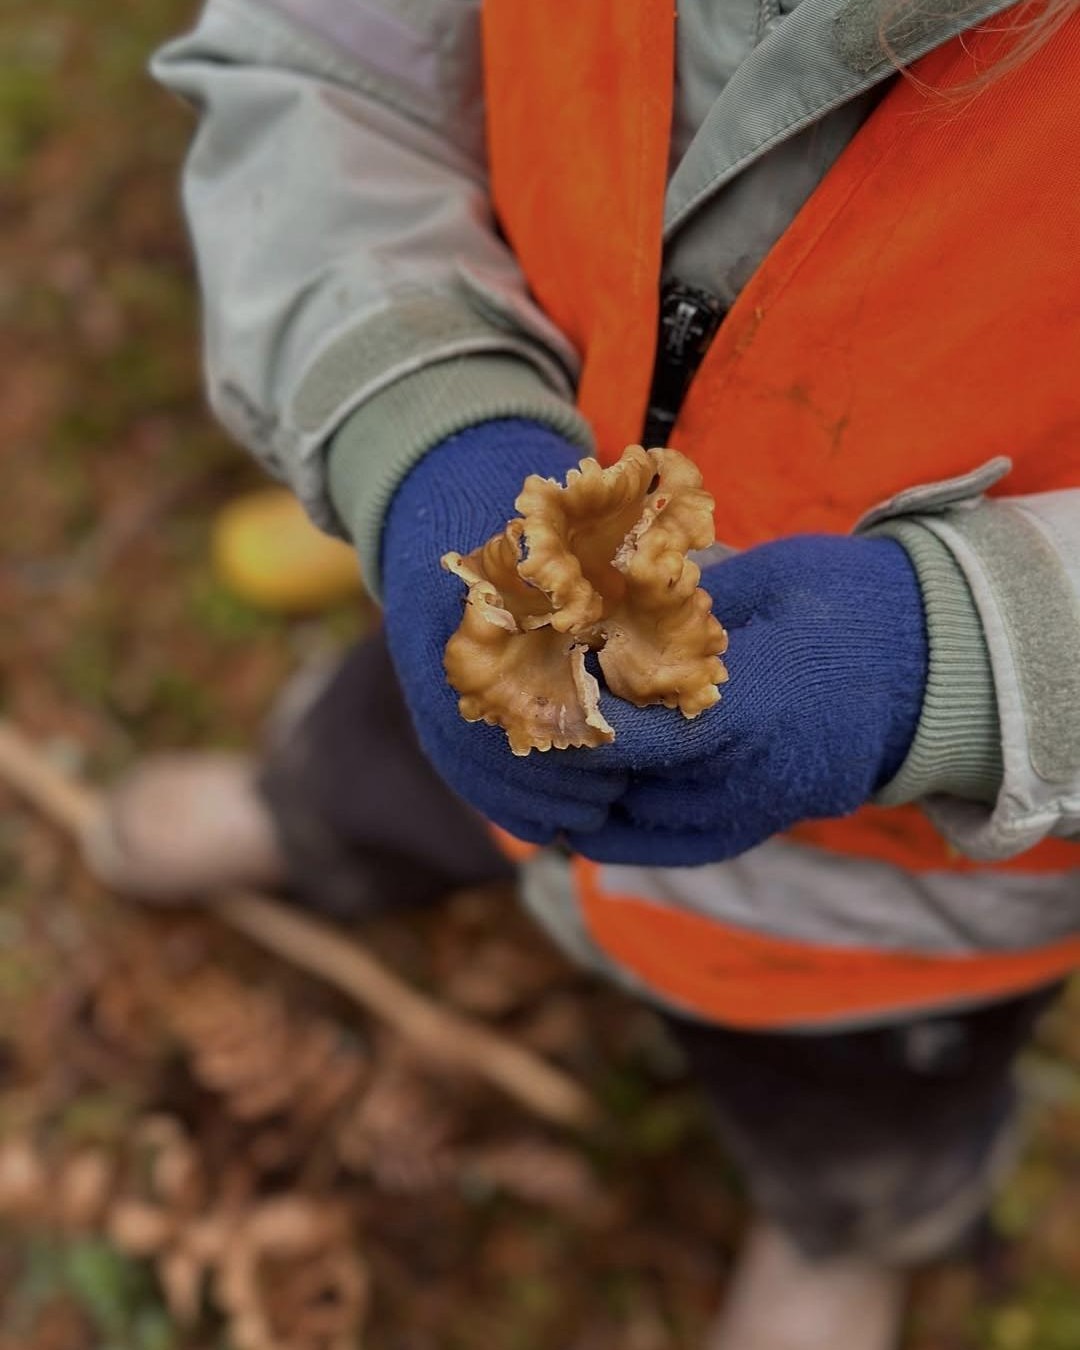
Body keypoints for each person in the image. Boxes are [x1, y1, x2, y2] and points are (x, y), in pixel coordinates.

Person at [87, 1, 1080, 1345]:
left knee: (866, 1097)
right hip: (489, 580)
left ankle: (840, 1228)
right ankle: (313, 816)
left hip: (903, 893)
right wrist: (421, 414)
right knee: (406, 745)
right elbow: (325, 66)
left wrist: (960, 652)